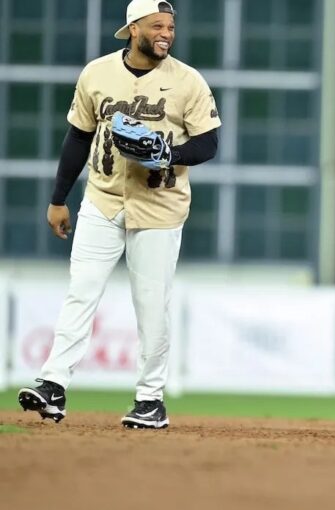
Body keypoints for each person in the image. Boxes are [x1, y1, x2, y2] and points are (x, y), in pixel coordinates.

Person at [17, 0, 221, 429]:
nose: (166, 32)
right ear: (133, 28)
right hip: (103, 199)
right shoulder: (97, 73)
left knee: (150, 307)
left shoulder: (188, 81)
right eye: (157, 25)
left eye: (170, 26)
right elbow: (78, 137)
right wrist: (58, 198)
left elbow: (208, 144)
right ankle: (53, 385)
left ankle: (150, 400)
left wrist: (169, 153)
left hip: (159, 208)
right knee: (81, 292)